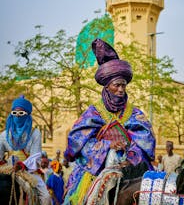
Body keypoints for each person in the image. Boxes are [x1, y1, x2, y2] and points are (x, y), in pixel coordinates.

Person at [63, 38, 156, 204]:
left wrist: (130, 154)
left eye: (124, 86)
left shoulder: (135, 113)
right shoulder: (93, 113)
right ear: (106, 86)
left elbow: (146, 142)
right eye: (117, 85)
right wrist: (107, 146)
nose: (121, 90)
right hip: (97, 168)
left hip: (130, 167)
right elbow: (77, 142)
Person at [0, 95, 51, 204]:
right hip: (8, 169)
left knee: (46, 197)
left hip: (28, 171)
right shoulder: (4, 135)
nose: (17, 116)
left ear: (27, 115)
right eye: (15, 113)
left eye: (21, 113)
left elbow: (36, 156)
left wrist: (23, 165)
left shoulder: (35, 133)